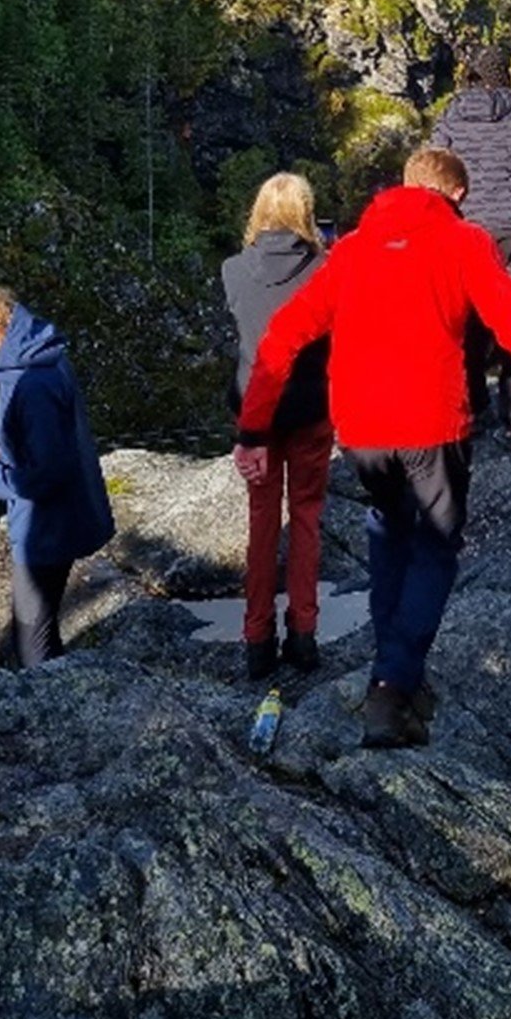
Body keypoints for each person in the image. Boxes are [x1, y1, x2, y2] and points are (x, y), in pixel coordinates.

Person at [233, 146, 511, 750]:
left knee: (388, 534)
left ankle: (396, 672)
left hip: (362, 430)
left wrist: (252, 430)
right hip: (433, 423)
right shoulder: (463, 244)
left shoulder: (349, 250)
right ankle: (392, 685)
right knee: (435, 550)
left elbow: (280, 339)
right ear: (455, 196)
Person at [0, 286, 114, 668]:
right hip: (66, 517)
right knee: (41, 630)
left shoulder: (30, 383)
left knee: (33, 642)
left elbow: (43, 478)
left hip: (45, 530)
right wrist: (2, 447)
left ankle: (55, 717)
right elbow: (49, 441)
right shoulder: (39, 361)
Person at [223, 171, 333, 682]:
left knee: (262, 523)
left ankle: (256, 639)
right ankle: (304, 633)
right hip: (312, 408)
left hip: (255, 412)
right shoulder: (327, 270)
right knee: (307, 518)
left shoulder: (232, 270)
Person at [432, 43, 511, 456]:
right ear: (505, 76)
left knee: (465, 322)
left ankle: (473, 408)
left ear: (470, 76)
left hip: (464, 229)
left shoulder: (451, 116)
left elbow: (433, 171)